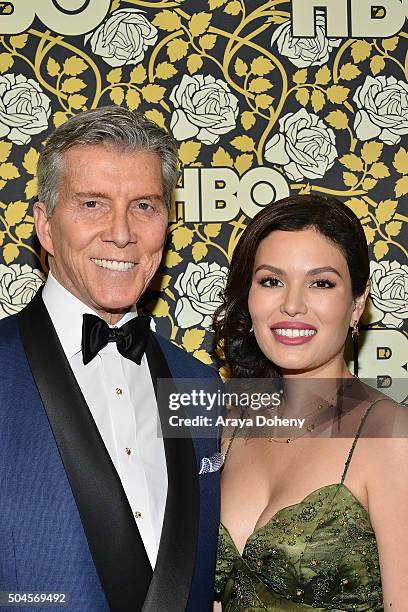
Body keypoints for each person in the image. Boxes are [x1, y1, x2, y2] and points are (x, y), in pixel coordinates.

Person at [0, 106, 221, 612]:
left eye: (144, 206)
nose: (121, 233)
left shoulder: (201, 384)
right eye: (93, 203)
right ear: (46, 226)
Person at [213, 195, 408, 611]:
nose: (293, 305)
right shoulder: (226, 427)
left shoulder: (391, 436)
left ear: (357, 303)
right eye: (271, 281)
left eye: (321, 282)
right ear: (249, 298)